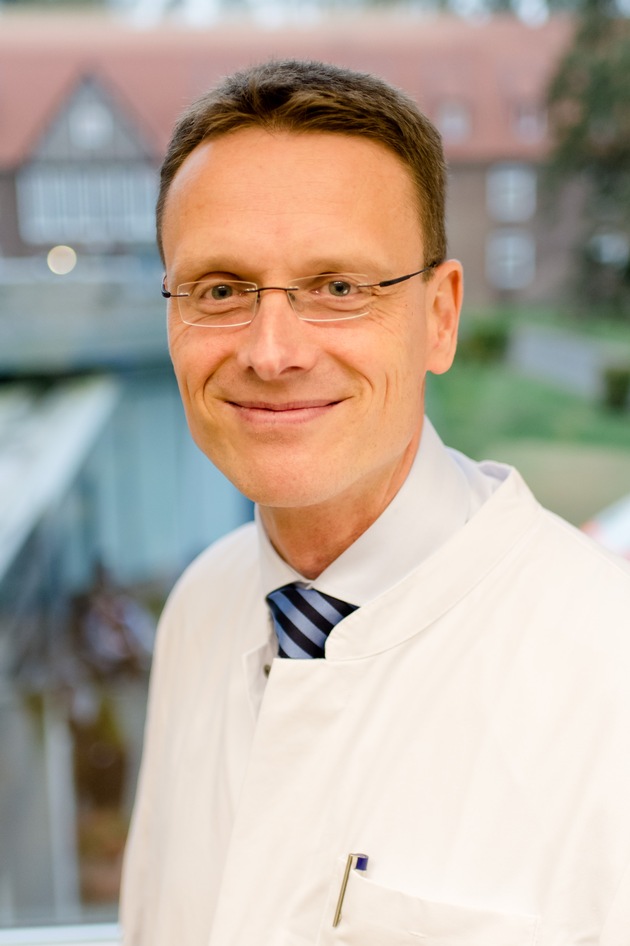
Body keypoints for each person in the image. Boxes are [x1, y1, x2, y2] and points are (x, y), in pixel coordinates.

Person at [121, 59, 630, 946]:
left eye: (339, 288)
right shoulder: (200, 610)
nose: (271, 352)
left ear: (441, 317)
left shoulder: (607, 670)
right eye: (221, 290)